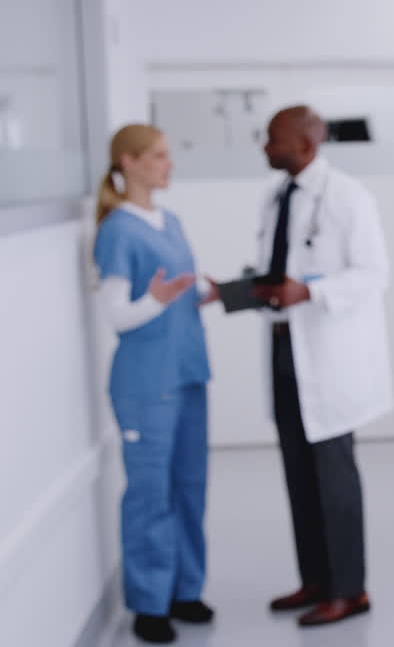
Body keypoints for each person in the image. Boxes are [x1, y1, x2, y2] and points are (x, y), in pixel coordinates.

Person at [252, 105, 393, 627]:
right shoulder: (275, 198)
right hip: (284, 348)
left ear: (305, 144)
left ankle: (349, 590)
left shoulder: (349, 197)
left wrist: (310, 291)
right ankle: (314, 580)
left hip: (330, 356)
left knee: (334, 476)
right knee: (297, 470)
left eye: (273, 139)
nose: (266, 147)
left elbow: (374, 274)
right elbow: (278, 266)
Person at [92, 124, 220, 644]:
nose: (169, 164)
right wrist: (157, 300)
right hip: (146, 383)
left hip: (188, 373)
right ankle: (149, 602)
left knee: (190, 488)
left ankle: (184, 591)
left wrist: (206, 289)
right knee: (151, 494)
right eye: (159, 156)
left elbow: (180, 285)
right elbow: (117, 315)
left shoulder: (171, 222)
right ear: (129, 162)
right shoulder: (118, 229)